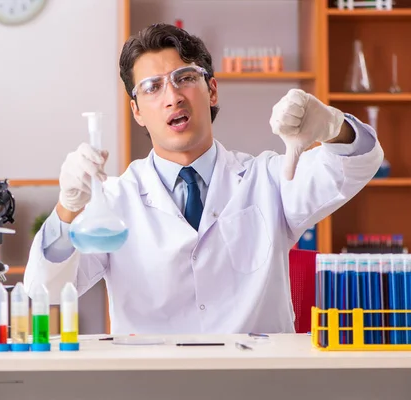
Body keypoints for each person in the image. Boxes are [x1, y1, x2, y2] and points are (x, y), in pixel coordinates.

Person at [24, 23, 384, 335]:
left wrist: (334, 127)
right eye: (152, 87)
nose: (173, 97)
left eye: (185, 78)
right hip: (153, 386)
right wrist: (67, 209)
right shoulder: (116, 199)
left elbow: (357, 162)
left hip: (257, 384)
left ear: (211, 91)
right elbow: (46, 289)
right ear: (137, 111)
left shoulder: (268, 178)